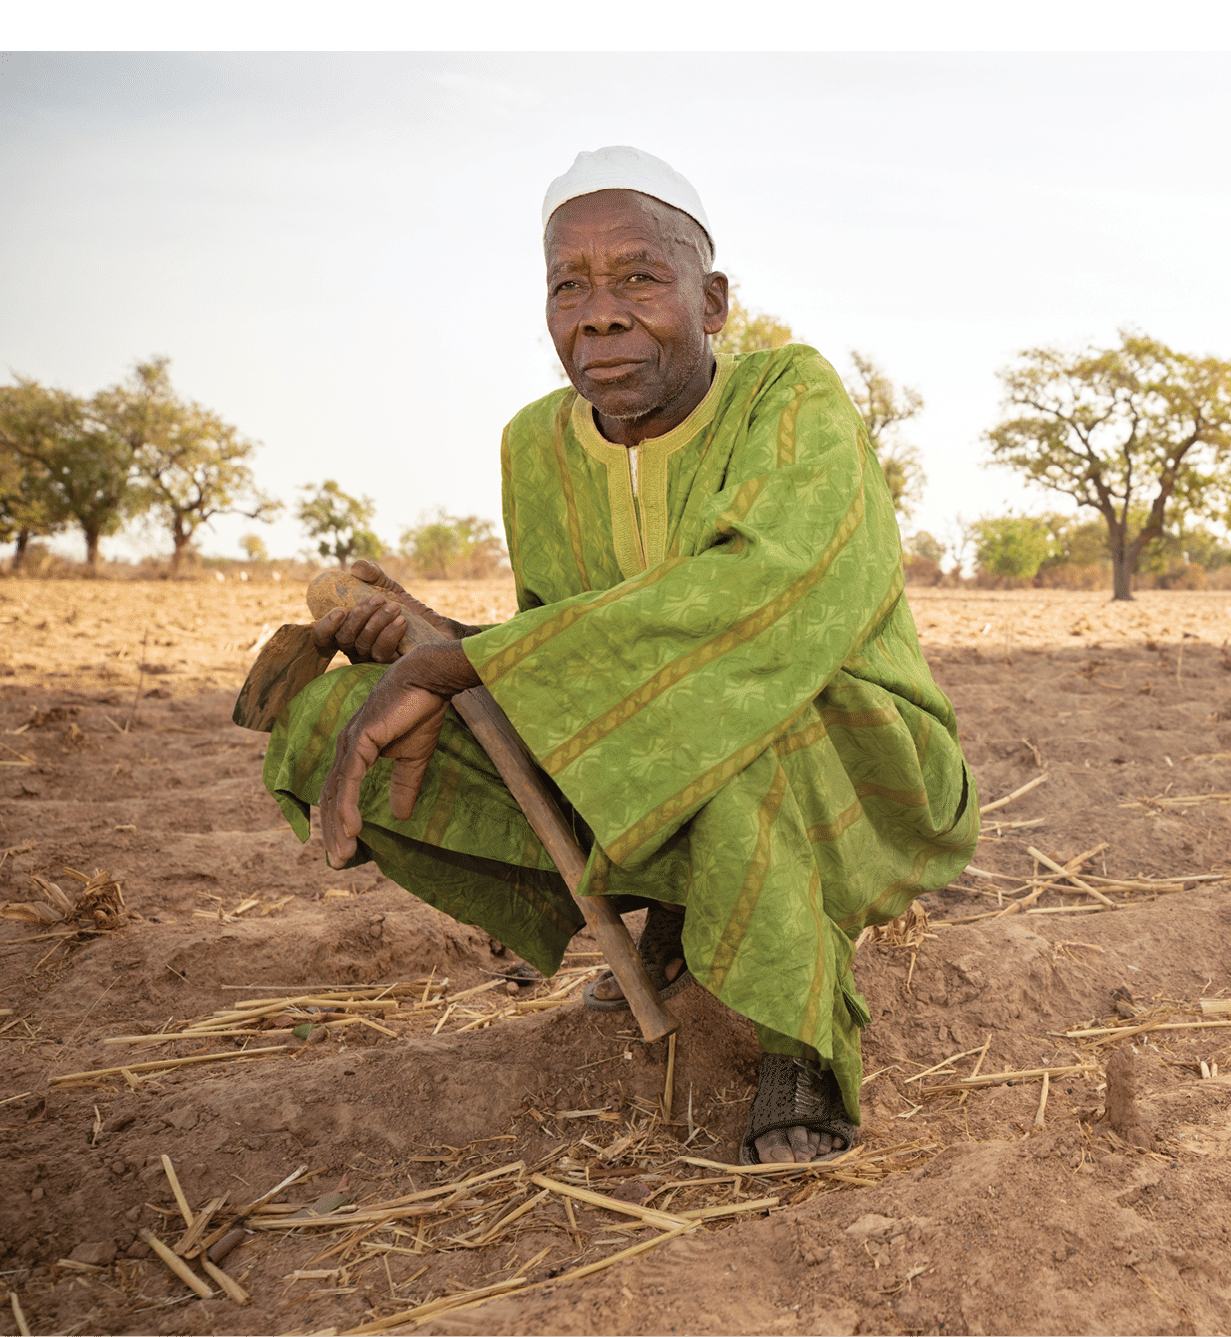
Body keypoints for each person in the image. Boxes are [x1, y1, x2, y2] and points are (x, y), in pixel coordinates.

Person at [261, 146, 979, 1164]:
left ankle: (801, 1035)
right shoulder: (533, 447)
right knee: (340, 715)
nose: (599, 311)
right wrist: (424, 639)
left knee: (729, 718)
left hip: (849, 752)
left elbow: (762, 607)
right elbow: (568, 657)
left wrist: (462, 665)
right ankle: (686, 904)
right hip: (658, 758)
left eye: (638, 276)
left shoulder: (793, 397)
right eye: (569, 285)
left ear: (714, 299)